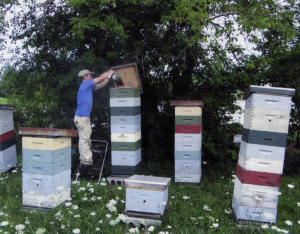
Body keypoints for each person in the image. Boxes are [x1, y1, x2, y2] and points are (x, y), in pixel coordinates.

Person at [74, 69, 115, 168]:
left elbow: (101, 84)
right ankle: (85, 162)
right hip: (81, 117)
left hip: (84, 118)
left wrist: (109, 77)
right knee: (84, 139)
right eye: (89, 75)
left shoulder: (88, 87)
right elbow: (100, 78)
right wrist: (110, 71)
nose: (91, 76)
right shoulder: (86, 84)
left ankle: (86, 160)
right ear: (85, 77)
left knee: (86, 138)